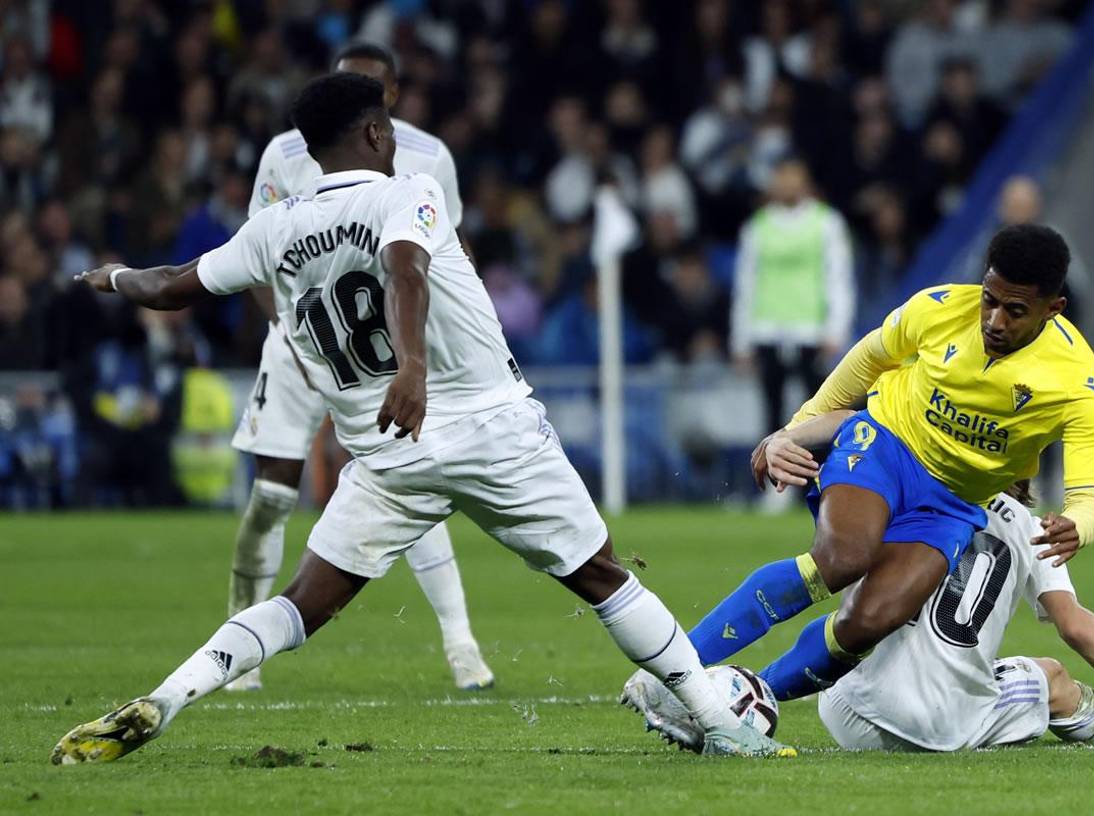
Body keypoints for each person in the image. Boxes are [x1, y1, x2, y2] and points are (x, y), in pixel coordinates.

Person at [52, 73, 794, 764]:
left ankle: (166, 698)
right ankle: (724, 725)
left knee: (302, 603)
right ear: (376, 134)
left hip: (388, 452)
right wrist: (411, 369)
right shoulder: (407, 192)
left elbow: (171, 286)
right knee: (603, 578)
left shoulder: (271, 228)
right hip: (487, 426)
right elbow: (405, 269)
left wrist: (110, 277)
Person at [628, 224, 1094, 746]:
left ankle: (738, 702)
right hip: (885, 447)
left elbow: (1088, 495)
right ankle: (668, 673)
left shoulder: (1081, 385)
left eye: (1015, 311)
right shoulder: (939, 308)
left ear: (1053, 308)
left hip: (951, 503)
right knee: (842, 559)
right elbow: (867, 360)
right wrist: (795, 430)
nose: (995, 320)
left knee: (873, 618)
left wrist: (1078, 527)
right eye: (990, 300)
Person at [231, 42, 491, 693]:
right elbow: (254, 250)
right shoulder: (286, 153)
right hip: (301, 342)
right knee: (271, 495)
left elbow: (448, 251)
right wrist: (286, 328)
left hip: (387, 354)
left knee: (411, 478)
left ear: (392, 97)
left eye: (367, 87)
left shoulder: (431, 156)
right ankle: (241, 641)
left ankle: (462, 646)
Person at [627, 478, 1094, 752]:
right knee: (1049, 674)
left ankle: (732, 694)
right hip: (942, 728)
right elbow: (1075, 624)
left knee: (850, 625)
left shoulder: (913, 486)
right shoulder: (1029, 526)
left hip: (849, 716)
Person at [730, 158, 854, 437]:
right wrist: (740, 340)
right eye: (781, 176)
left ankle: (815, 477)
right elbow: (745, 284)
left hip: (811, 332)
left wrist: (837, 329)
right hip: (767, 330)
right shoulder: (757, 227)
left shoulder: (827, 222)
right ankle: (773, 478)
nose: (787, 183)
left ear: (805, 180)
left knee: (817, 413)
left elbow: (838, 277)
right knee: (770, 413)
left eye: (793, 175)